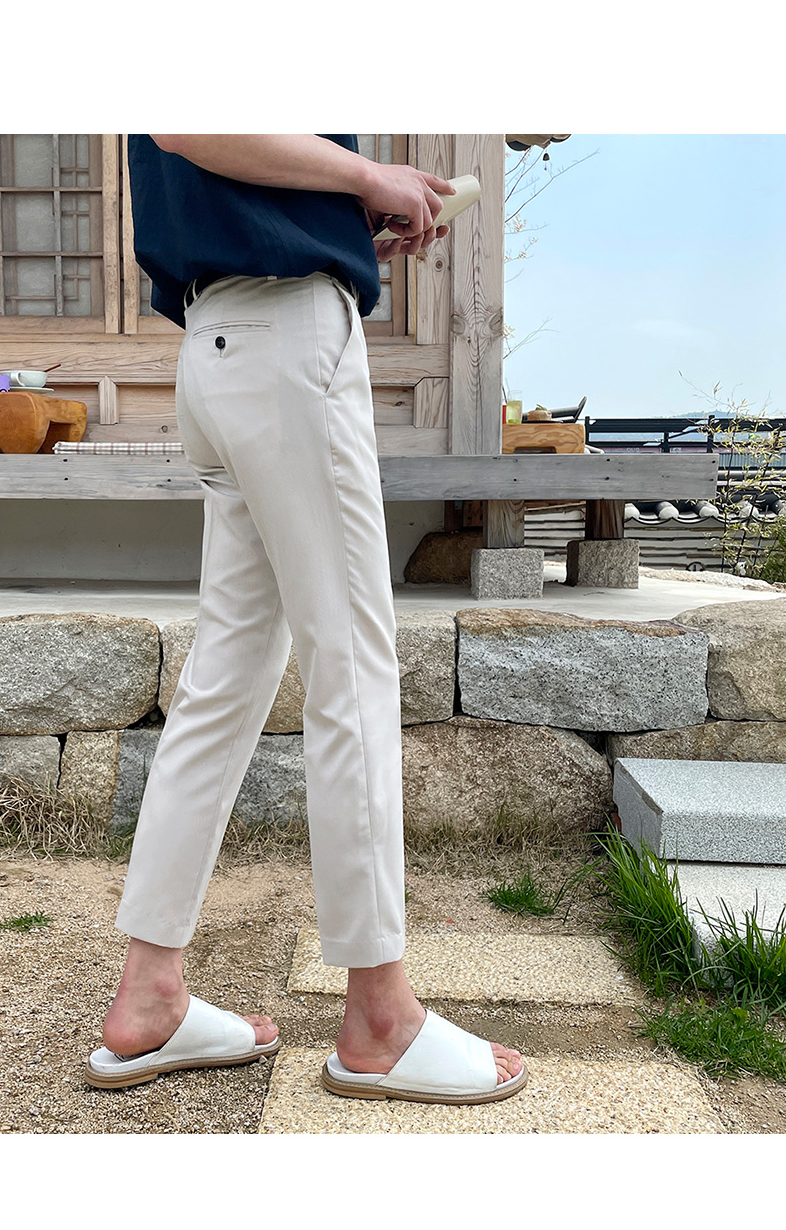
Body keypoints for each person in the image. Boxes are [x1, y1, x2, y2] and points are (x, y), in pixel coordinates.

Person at [84, 135, 527, 1105]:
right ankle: (380, 1018)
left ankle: (149, 992)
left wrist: (340, 210)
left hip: (219, 341)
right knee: (351, 666)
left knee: (227, 677)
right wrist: (366, 176)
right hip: (285, 336)